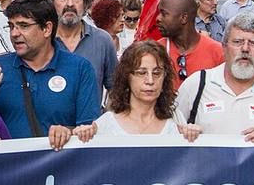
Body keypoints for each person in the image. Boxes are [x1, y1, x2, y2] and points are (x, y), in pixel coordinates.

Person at [0, 0, 102, 148]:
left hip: (60, 167)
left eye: (23, 26)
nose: (14, 33)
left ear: (47, 29)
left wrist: (67, 132)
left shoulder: (80, 68)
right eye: (11, 26)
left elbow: (88, 130)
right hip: (10, 169)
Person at [173, 13, 254, 140]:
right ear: (224, 47)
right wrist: (187, 134)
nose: (245, 49)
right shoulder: (196, 84)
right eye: (237, 42)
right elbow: (171, 137)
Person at [73, 39, 205, 153]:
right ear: (127, 77)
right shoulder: (105, 125)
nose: (150, 81)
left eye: (157, 73)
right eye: (141, 73)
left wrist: (193, 136)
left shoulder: (176, 121)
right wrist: (82, 136)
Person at [50, 0, 117, 93]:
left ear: (85, 3)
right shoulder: (42, 41)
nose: (70, 4)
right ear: (52, 2)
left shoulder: (102, 40)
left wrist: (108, 111)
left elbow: (116, 89)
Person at [156, 0, 224, 80]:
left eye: (164, 14)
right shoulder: (157, 50)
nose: (158, 18)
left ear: (184, 18)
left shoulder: (217, 52)